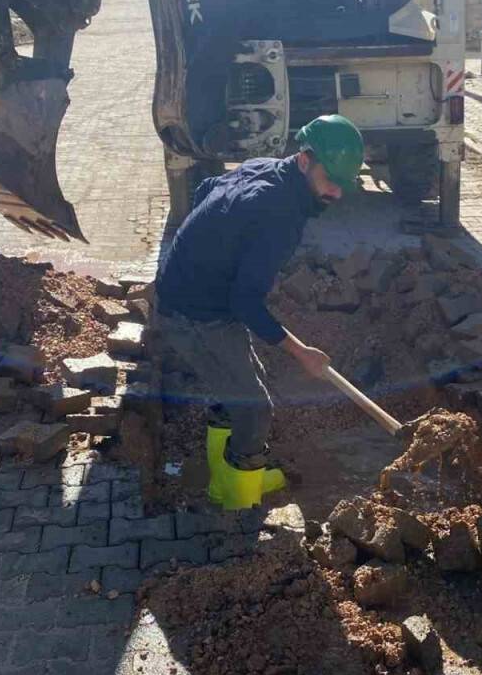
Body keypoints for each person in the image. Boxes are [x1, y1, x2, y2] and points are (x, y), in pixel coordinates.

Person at [155, 115, 365, 511]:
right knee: (255, 408)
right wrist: (302, 351)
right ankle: (235, 501)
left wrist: (210, 248)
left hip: (199, 295)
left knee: (243, 384)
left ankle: (230, 469)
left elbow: (206, 189)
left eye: (344, 184)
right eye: (330, 180)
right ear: (305, 160)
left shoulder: (264, 167)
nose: (336, 193)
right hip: (193, 313)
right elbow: (246, 302)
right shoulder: (279, 216)